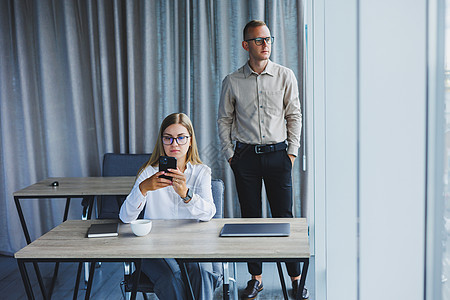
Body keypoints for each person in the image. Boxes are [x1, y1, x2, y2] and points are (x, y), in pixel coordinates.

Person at [217, 20, 308, 299]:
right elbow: (224, 119)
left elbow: (294, 116)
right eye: (258, 40)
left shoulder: (285, 76)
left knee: (285, 217)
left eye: (268, 39)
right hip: (245, 159)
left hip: (279, 156)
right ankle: (255, 278)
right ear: (246, 45)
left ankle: (295, 279)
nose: (265, 44)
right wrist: (231, 155)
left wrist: (291, 153)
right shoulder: (232, 81)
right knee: (250, 219)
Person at [119, 112, 221, 300]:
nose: (174, 144)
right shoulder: (148, 172)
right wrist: (143, 189)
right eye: (168, 138)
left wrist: (186, 195)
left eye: (181, 138)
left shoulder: (201, 172)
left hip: (194, 243)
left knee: (202, 274)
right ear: (162, 141)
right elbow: (126, 218)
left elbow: (209, 214)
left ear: (190, 141)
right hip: (155, 245)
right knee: (171, 276)